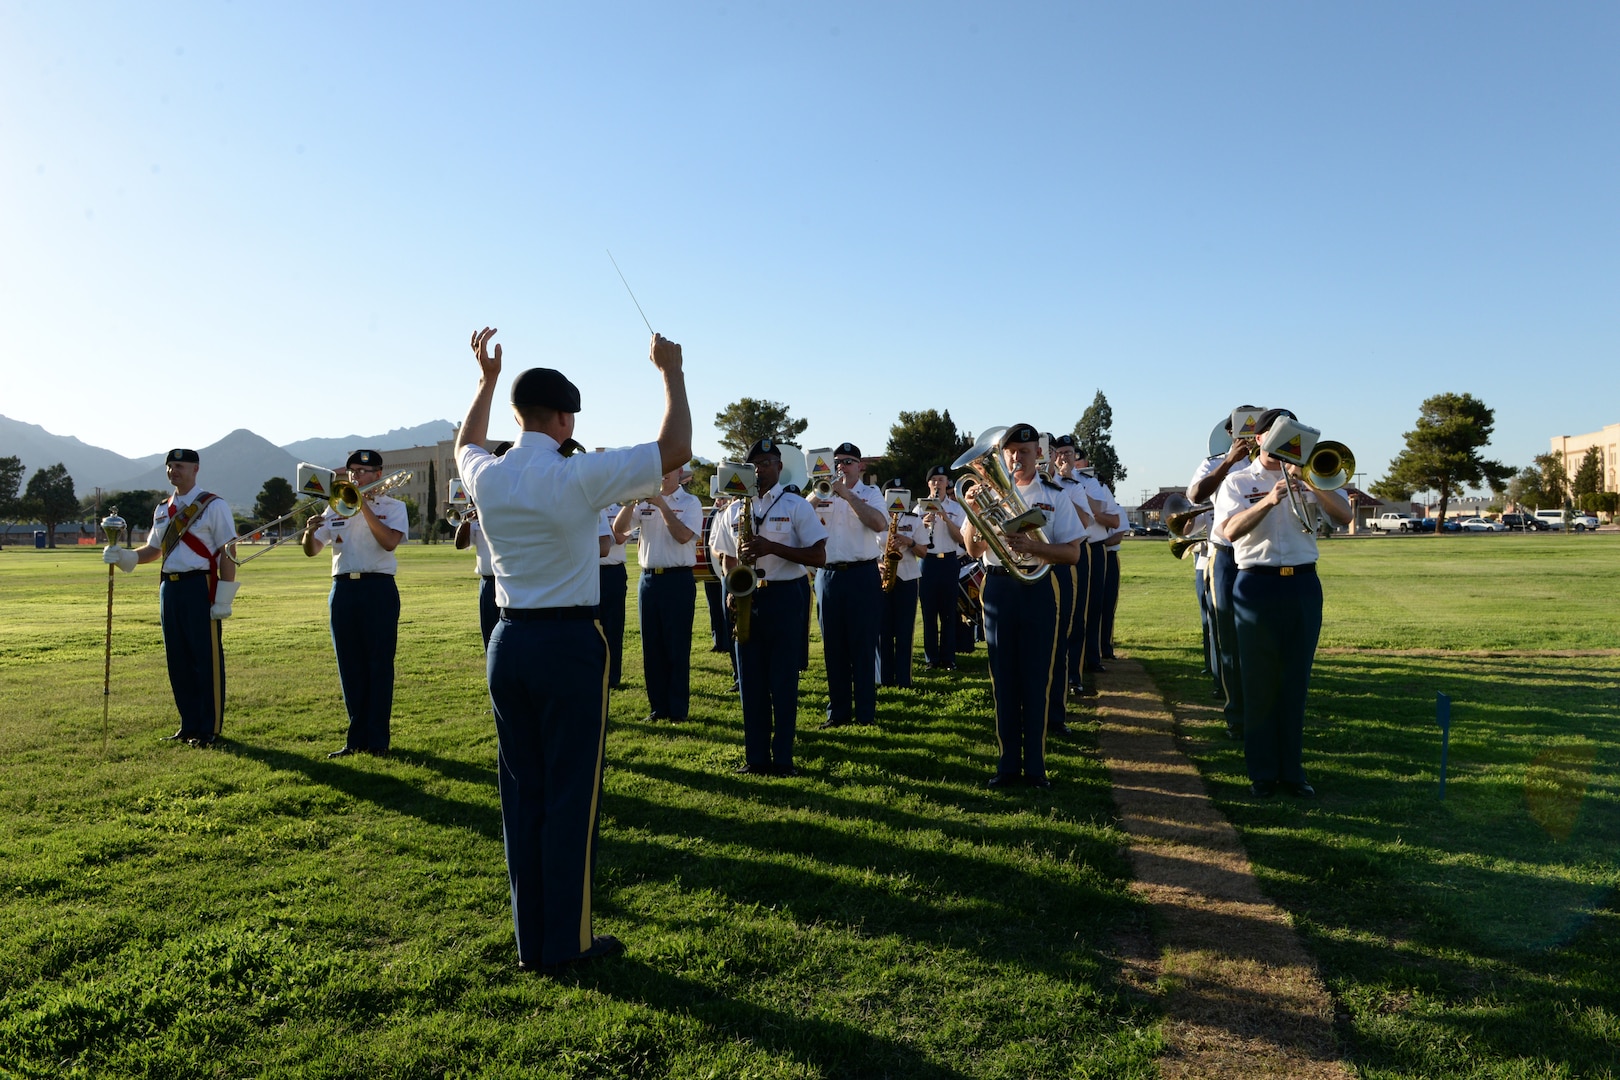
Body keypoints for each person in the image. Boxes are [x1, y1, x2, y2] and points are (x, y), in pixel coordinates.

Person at [456, 326, 690, 973]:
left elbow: (463, 443)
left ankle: (535, 940)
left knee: (522, 793)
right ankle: (570, 941)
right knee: (570, 796)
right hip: (566, 641)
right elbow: (677, 448)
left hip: (508, 638)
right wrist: (670, 370)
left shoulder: (489, 476)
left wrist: (485, 380)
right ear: (563, 420)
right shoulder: (578, 474)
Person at [1214, 407, 1352, 799]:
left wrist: (1310, 484)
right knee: (1259, 682)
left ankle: (1292, 772)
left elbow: (1343, 516)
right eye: (1275, 435)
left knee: (1295, 683)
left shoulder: (1311, 473)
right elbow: (1228, 532)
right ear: (1258, 439)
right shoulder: (1239, 481)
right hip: (1256, 585)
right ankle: (1262, 772)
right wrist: (1269, 500)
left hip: (1303, 584)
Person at [960, 424, 1081, 790]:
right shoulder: (987, 494)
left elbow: (1073, 553)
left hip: (1038, 587)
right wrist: (971, 510)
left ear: (1038, 455)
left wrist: (1034, 548)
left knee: (1036, 681)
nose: (1016, 457)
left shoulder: (1055, 496)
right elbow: (973, 550)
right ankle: (1007, 765)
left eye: (1024, 451)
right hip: (998, 588)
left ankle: (1036, 768)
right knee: (1004, 681)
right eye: (1010, 451)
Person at [103, 448, 239, 747]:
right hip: (170, 586)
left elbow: (228, 550)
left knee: (205, 658)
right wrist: (122, 555)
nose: (172, 471)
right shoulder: (163, 509)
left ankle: (210, 727)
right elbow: (154, 550)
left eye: (179, 466)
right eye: (169, 466)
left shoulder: (212, 505)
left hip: (199, 584)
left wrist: (224, 598)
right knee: (177, 658)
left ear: (195, 469)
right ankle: (189, 724)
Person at [710, 437, 827, 776]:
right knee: (751, 681)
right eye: (755, 464)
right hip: (748, 598)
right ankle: (756, 757)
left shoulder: (796, 506)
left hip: (785, 596)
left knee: (783, 680)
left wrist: (771, 547)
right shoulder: (735, 509)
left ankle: (784, 758)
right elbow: (727, 555)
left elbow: (818, 555)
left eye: (766, 463)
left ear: (779, 466)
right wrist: (733, 587)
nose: (760, 469)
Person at [301, 450, 408, 758]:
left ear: (378, 475)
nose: (356, 477)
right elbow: (312, 550)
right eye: (352, 472)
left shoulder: (394, 507)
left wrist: (362, 508)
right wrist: (309, 532)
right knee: (350, 666)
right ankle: (356, 738)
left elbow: (389, 542)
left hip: (379, 589)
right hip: (343, 588)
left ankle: (377, 740)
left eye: (363, 471)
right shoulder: (334, 508)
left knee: (378, 665)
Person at [1190, 406, 1263, 740]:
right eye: (1241, 430)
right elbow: (1195, 496)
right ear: (1231, 434)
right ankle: (1237, 714)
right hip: (1227, 554)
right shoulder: (1215, 461)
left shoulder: (1275, 464)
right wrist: (1229, 462)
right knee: (1228, 636)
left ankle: (1263, 708)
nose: (1247, 437)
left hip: (1263, 555)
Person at [810, 442, 887, 729]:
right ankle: (838, 712)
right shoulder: (821, 490)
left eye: (849, 461)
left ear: (860, 466)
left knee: (863, 646)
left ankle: (865, 713)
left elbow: (879, 523)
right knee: (834, 647)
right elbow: (801, 518)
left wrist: (847, 495)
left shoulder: (871, 494)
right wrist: (818, 495)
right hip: (828, 575)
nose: (842, 466)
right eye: (838, 461)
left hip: (862, 575)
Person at [616, 468, 703, 722]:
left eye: (668, 471)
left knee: (676, 646)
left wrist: (662, 506)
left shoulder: (690, 503)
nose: (663, 475)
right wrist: (632, 501)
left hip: (678, 580)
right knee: (651, 648)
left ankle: (677, 710)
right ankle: (658, 708)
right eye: (660, 471)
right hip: (649, 579)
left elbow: (683, 536)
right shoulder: (644, 501)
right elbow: (618, 531)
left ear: (679, 473)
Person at [1047, 435, 1096, 729]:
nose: (1061, 457)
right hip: (1031, 565)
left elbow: (1085, 522)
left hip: (1063, 559)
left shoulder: (1072, 487)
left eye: (1065, 452)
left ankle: (1067, 685)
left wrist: (1060, 488)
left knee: (1067, 623)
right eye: (1057, 452)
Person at [455, 441, 512, 650]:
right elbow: (460, 545)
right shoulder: (480, 501)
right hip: (488, 583)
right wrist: (467, 519)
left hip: (513, 581)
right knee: (490, 640)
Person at [1072, 455, 1120, 694]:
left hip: (1092, 547)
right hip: (1066, 547)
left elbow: (1110, 515)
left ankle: (1092, 657)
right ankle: (1074, 663)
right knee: (1074, 608)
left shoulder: (1092, 483)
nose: (1066, 461)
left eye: (1072, 456)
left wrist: (1076, 487)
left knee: (1093, 605)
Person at [876, 479, 927, 688]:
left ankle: (904, 680)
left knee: (905, 631)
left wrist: (908, 541)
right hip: (881, 578)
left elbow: (923, 551)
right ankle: (885, 679)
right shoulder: (875, 520)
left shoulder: (914, 520)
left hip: (907, 577)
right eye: (892, 493)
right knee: (883, 631)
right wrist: (877, 563)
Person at [918, 465, 967, 669]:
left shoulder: (957, 508)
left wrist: (945, 518)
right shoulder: (919, 508)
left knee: (948, 612)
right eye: (934, 480)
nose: (937, 483)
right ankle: (931, 659)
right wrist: (924, 523)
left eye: (941, 479)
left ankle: (948, 658)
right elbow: (915, 539)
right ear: (928, 484)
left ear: (948, 483)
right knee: (928, 614)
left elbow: (962, 539)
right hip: (927, 562)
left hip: (948, 561)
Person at [704, 495, 739, 690]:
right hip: (733, 574)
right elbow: (714, 546)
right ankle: (739, 676)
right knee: (733, 629)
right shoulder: (725, 513)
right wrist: (727, 554)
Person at [599, 498, 630, 690]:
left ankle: (612, 676)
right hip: (589, 571)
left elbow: (619, 537)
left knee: (613, 626)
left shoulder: (621, 509)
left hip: (613, 572)